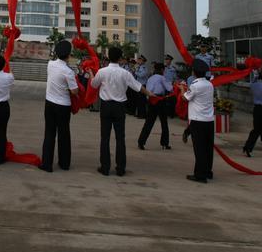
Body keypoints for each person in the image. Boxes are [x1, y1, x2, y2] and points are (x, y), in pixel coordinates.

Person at [90, 46, 151, 176]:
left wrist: (91, 74)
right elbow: (138, 87)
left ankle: (105, 167)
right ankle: (120, 168)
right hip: (119, 107)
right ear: (120, 58)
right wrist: (150, 94)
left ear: (109, 57)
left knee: (105, 138)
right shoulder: (125, 73)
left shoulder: (102, 71)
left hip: (106, 106)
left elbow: (94, 85)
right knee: (120, 138)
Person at [40, 40, 79, 173]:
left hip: (50, 103)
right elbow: (74, 91)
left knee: (49, 133)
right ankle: (64, 163)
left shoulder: (50, 64)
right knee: (64, 134)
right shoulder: (68, 72)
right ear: (69, 55)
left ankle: (46, 163)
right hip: (63, 106)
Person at [184, 58, 215, 183]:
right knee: (208, 148)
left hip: (198, 120)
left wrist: (181, 89)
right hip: (209, 120)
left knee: (199, 148)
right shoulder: (209, 84)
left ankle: (200, 175)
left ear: (194, 72)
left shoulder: (195, 85)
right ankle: (207, 171)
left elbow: (186, 98)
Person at [138, 62, 172, 150]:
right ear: (162, 70)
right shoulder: (162, 78)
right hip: (160, 100)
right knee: (164, 122)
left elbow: (148, 90)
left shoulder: (150, 78)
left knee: (149, 122)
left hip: (151, 99)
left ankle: (141, 142)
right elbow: (169, 88)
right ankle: (165, 143)